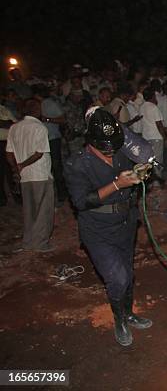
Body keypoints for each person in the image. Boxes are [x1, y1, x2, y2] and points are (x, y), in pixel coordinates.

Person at [64, 108, 152, 347]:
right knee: (117, 277)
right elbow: (81, 202)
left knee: (128, 273)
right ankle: (119, 319)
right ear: (90, 141)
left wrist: (138, 174)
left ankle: (129, 312)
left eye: (115, 143)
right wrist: (117, 184)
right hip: (97, 229)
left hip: (126, 222)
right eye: (106, 146)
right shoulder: (77, 163)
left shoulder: (120, 150)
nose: (111, 150)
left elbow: (145, 153)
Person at [6, 98, 55, 252]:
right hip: (39, 174)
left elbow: (8, 153)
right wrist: (22, 165)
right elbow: (39, 153)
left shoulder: (14, 127)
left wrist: (16, 168)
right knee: (43, 211)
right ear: (38, 110)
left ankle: (28, 242)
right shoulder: (39, 128)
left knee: (29, 210)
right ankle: (41, 243)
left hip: (24, 176)